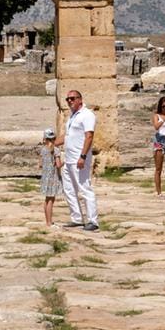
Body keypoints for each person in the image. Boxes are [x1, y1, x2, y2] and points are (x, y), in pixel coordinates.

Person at [60, 89, 99, 231]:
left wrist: (83, 156)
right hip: (69, 159)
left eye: (72, 98)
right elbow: (66, 136)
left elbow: (89, 136)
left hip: (79, 158)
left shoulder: (87, 115)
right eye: (67, 99)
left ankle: (93, 220)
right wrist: (50, 143)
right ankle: (76, 218)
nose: (70, 101)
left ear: (80, 99)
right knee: (69, 189)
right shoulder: (72, 116)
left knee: (84, 188)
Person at [39, 128, 63, 226]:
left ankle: (47, 221)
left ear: (44, 138)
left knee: (46, 199)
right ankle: (49, 222)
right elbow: (58, 165)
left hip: (45, 177)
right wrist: (64, 163)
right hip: (53, 177)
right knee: (51, 201)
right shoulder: (56, 150)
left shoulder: (43, 150)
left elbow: (40, 165)